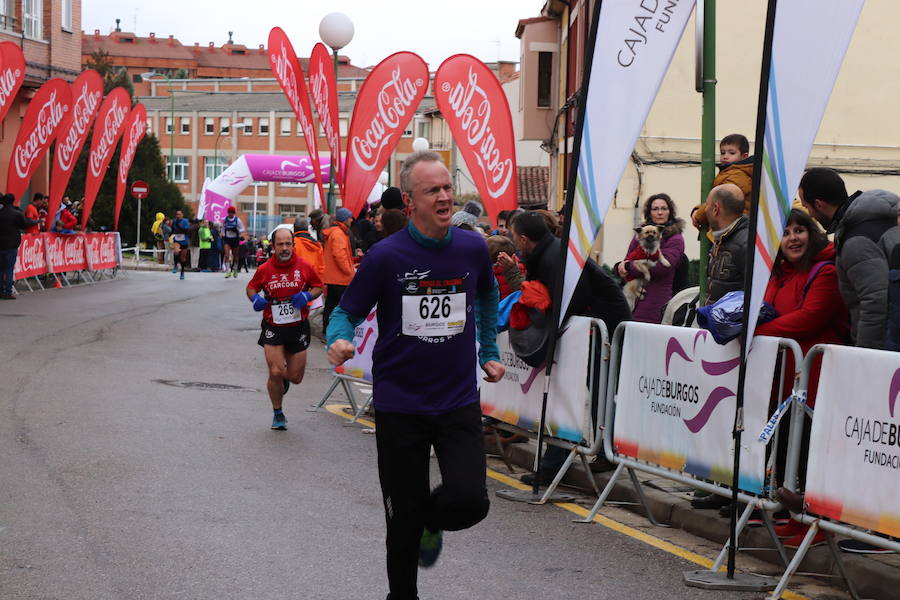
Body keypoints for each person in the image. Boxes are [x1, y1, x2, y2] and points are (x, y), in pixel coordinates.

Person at [326, 151, 504, 599]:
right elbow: (345, 311)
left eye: (448, 187)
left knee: (469, 501)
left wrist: (490, 350)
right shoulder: (387, 257)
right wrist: (340, 339)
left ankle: (429, 519)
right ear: (411, 201)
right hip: (400, 405)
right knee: (399, 523)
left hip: (457, 400)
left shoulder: (472, 247)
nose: (445, 197)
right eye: (433, 191)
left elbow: (485, 295)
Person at [509, 211, 631, 484]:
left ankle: (600, 454)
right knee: (573, 393)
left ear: (526, 239)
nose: (514, 242)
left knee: (594, 390)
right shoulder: (545, 253)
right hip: (587, 326)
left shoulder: (554, 257)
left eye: (515, 237)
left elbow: (572, 301)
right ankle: (565, 462)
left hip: (603, 325)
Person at [752, 209, 848, 547]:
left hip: (819, 377)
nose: (793, 238)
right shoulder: (778, 273)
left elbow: (810, 317)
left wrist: (756, 332)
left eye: (800, 230)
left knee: (812, 451)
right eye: (787, 232)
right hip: (787, 378)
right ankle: (797, 516)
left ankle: (817, 524)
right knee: (793, 452)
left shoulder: (825, 270)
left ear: (814, 233)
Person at [799, 167, 900, 349]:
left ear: (819, 204)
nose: (810, 215)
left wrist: (864, 355)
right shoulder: (880, 221)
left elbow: (875, 301)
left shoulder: (856, 241)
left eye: (807, 207)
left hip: (885, 348)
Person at [246, 225, 323, 430]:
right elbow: (251, 287)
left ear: (293, 245)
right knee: (276, 371)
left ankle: (283, 383)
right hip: (273, 326)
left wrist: (307, 295)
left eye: (288, 244)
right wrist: (255, 299)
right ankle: (278, 413)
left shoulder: (304, 266)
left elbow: (318, 286)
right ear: (272, 246)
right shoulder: (264, 269)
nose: (284, 248)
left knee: (295, 378)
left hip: (298, 326)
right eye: (280, 244)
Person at [614, 193, 685, 323]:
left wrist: (628, 266)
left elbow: (661, 268)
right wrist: (620, 266)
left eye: (664, 208)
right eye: (655, 209)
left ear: (670, 212)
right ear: (649, 212)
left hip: (656, 299)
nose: (659, 212)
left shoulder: (675, 238)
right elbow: (628, 258)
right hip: (633, 295)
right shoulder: (641, 232)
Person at [691, 134, 754, 231]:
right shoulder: (728, 172)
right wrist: (697, 209)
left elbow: (720, 199)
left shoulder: (738, 175)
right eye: (722, 153)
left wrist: (698, 215)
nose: (725, 156)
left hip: (732, 227)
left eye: (732, 153)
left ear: (744, 156)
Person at [704, 183, 749, 304]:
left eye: (707, 204)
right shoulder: (721, 237)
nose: (705, 209)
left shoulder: (746, 243)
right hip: (716, 317)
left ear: (715, 209)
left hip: (731, 321)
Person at [322, 207, 355, 332]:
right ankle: (333, 330)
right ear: (345, 219)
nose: (351, 220)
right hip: (340, 279)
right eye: (350, 217)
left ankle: (327, 329)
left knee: (330, 305)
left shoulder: (336, 232)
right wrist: (349, 272)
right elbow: (339, 255)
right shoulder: (339, 234)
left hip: (334, 278)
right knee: (338, 307)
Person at [0, 193, 39, 299]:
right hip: (11, 244)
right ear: (13, 201)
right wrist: (36, 221)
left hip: (1, 244)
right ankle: (8, 292)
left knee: (1, 269)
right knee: (9, 269)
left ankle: (0, 291)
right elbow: (25, 224)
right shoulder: (16, 213)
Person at [293, 216, 325, 280]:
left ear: (294, 228)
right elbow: (321, 267)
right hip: (314, 280)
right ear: (307, 228)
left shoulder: (293, 243)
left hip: (297, 279)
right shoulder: (317, 245)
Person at [223, 206, 245, 278]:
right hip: (227, 239)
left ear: (234, 213)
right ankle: (228, 271)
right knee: (226, 255)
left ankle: (235, 269)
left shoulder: (237, 220)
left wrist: (237, 230)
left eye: (232, 213)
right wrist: (222, 233)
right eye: (229, 213)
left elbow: (242, 229)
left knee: (235, 256)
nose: (230, 214)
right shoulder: (225, 219)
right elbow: (223, 228)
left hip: (235, 239)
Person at [170, 210, 190, 280]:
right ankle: (175, 266)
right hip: (177, 239)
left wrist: (179, 226)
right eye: (177, 214)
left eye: (179, 214)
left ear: (182, 215)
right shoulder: (174, 221)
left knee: (183, 258)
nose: (178, 216)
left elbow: (186, 230)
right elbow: (172, 229)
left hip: (184, 241)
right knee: (176, 252)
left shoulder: (185, 221)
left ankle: (182, 272)